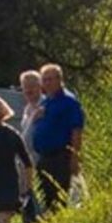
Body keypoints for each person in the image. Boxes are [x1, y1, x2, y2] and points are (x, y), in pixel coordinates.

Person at [32, 63, 84, 211]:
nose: (47, 83)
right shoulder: (45, 102)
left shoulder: (69, 102)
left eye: (50, 79)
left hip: (61, 157)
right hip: (44, 157)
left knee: (60, 197)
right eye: (44, 80)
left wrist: (75, 157)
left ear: (59, 80)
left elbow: (76, 130)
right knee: (46, 198)